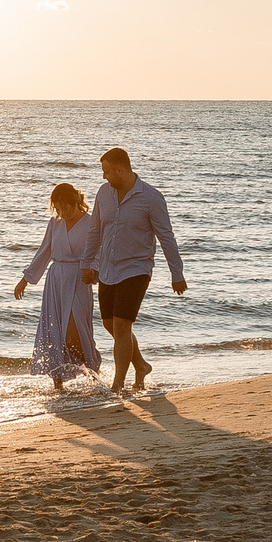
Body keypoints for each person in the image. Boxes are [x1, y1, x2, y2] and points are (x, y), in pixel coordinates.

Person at [79, 147, 184, 393]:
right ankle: (141, 365)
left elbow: (166, 237)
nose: (103, 177)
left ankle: (117, 385)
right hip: (107, 268)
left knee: (122, 325)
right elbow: (95, 231)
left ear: (120, 169)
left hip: (136, 268)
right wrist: (87, 263)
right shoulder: (103, 194)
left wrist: (176, 274)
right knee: (109, 324)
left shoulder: (151, 197)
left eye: (106, 171)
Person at [14, 182, 101, 390]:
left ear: (75, 203)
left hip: (79, 280)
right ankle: (58, 383)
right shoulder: (55, 223)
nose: (62, 211)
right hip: (55, 281)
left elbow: (98, 252)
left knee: (74, 331)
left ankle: (92, 368)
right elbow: (44, 251)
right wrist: (25, 279)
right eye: (58, 207)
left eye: (65, 207)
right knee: (53, 330)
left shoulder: (90, 223)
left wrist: (93, 271)